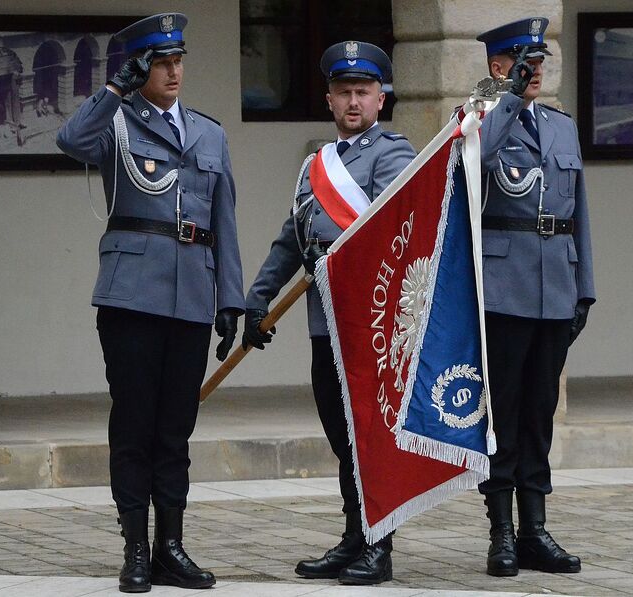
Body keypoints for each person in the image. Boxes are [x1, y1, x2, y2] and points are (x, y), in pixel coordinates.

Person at [56, 12, 244, 593]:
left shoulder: (208, 133)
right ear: (139, 68)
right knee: (135, 424)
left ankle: (171, 546)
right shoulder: (115, 123)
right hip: (131, 296)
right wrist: (115, 88)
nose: (173, 71)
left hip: (192, 293)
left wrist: (230, 298)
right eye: (161, 62)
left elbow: (224, 220)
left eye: (178, 60)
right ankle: (135, 549)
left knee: (175, 430)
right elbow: (71, 140)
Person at [241, 41, 415, 586]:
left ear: (381, 99)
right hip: (326, 323)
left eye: (363, 92)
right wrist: (257, 297)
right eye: (344, 92)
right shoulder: (317, 166)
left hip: (371, 320)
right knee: (343, 437)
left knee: (369, 437)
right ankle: (354, 537)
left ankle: (379, 546)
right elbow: (291, 240)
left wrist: (334, 252)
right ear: (329, 99)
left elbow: (392, 229)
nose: (354, 101)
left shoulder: (394, 153)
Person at [473, 17, 595, 577]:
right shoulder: (479, 120)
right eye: (524, 62)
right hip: (503, 290)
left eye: (540, 62)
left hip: (555, 287)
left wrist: (584, 287)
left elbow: (580, 215)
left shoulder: (561, 127)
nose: (536, 71)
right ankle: (500, 531)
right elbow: (476, 160)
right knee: (504, 414)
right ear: (499, 66)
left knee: (540, 415)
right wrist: (505, 98)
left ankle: (535, 529)